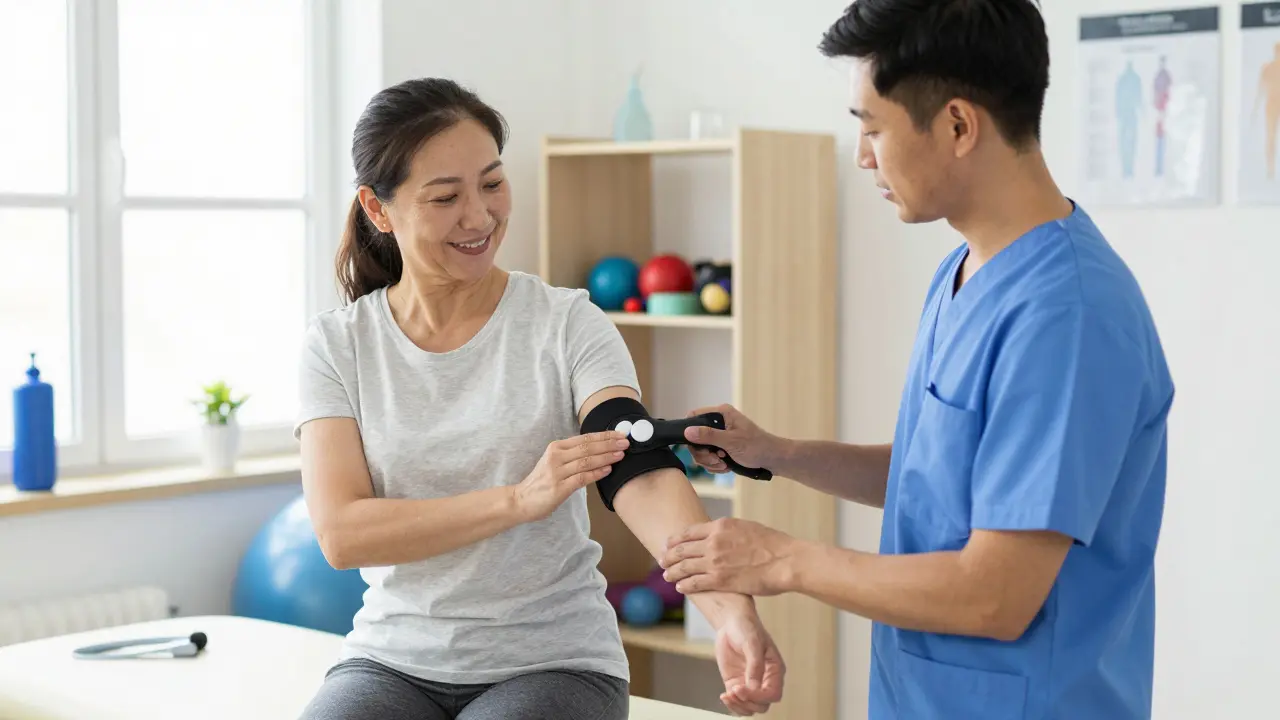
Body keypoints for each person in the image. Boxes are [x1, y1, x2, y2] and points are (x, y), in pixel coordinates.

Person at [659, 2, 1175, 719]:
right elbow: (941, 482)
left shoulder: (1070, 315)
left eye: (872, 127)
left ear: (959, 125)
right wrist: (777, 452)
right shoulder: (965, 269)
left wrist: (783, 560)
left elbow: (995, 595)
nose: (864, 154)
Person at [294, 77, 784, 719]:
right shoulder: (338, 347)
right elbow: (343, 532)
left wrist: (729, 615)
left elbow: (637, 467)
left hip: (554, 662)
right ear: (378, 209)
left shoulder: (568, 323)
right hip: (393, 659)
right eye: (445, 197)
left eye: (492, 184)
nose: (479, 216)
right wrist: (519, 499)